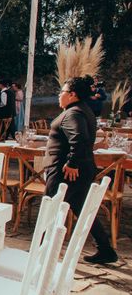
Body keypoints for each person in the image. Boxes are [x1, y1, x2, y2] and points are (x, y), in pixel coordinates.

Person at [43, 76, 117, 264]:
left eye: (62, 92)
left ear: (72, 94)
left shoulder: (73, 113)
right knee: (81, 209)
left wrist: (72, 163)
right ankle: (105, 249)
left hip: (66, 171)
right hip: (78, 169)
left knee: (50, 207)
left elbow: (80, 139)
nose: (59, 95)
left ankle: (41, 250)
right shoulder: (83, 110)